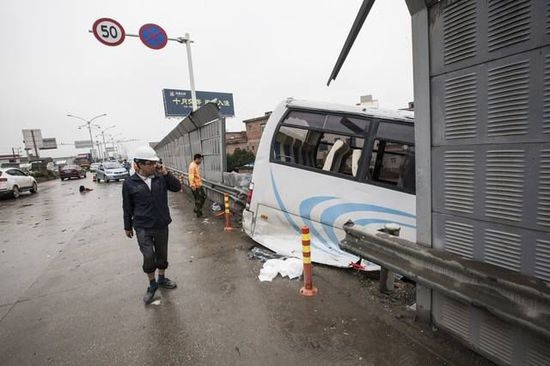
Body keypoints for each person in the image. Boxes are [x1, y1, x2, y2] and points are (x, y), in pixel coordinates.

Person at [122, 145, 182, 304]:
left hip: (161, 223)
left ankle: (161, 279)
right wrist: (127, 226)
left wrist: (166, 173)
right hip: (142, 226)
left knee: (162, 254)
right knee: (148, 256)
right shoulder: (129, 183)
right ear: (140, 164)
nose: (154, 166)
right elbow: (127, 206)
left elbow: (177, 188)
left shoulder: (160, 177)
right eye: (150, 163)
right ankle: (152, 284)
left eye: (155, 163)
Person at [188, 153, 206, 218]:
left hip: (198, 185)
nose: (201, 161)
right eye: (200, 160)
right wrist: (192, 185)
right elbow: (191, 176)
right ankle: (197, 210)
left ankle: (198, 211)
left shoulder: (196, 165)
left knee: (200, 198)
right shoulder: (192, 166)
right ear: (197, 159)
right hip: (196, 186)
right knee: (201, 198)